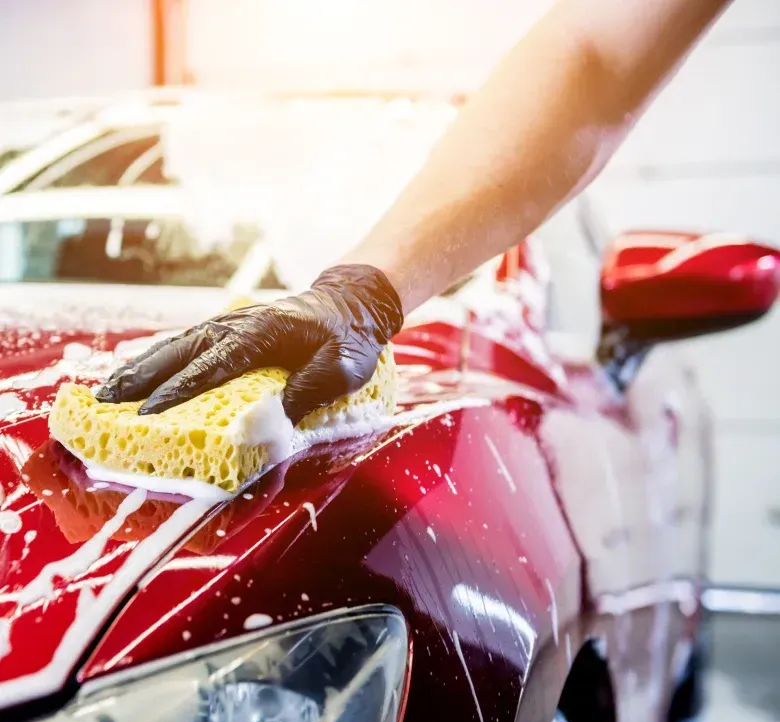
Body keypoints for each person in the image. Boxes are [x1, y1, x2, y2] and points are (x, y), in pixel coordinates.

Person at [97, 0, 731, 423]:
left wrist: (363, 298)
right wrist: (357, 292)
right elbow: (596, 53)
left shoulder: (474, 408)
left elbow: (597, 67)